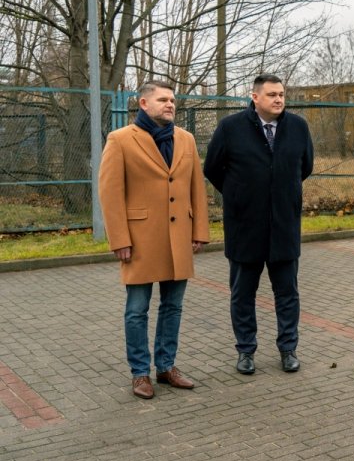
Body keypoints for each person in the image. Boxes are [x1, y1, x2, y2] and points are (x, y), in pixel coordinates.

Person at [99, 80, 210, 399]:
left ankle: (166, 367)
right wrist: (119, 238)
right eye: (163, 99)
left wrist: (199, 230)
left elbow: (196, 189)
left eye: (173, 100)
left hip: (179, 237)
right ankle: (139, 373)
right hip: (140, 239)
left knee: (173, 306)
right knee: (137, 309)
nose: (170, 104)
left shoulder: (185, 139)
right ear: (143, 104)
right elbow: (110, 193)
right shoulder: (120, 140)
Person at [203, 74, 314, 375]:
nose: (278, 99)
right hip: (244, 227)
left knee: (287, 293)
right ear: (255, 97)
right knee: (242, 294)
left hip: (284, 227)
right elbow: (212, 168)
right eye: (271, 95)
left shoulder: (298, 127)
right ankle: (245, 351)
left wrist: (279, 192)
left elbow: (305, 167)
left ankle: (288, 349)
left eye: (281, 94)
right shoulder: (231, 128)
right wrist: (240, 194)